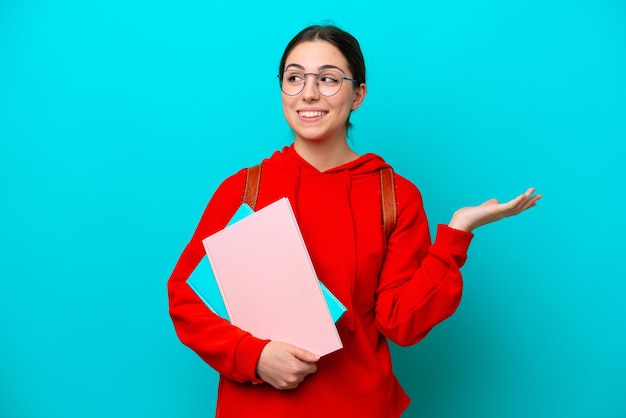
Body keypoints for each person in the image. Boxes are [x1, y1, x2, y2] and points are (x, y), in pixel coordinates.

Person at [167, 24, 541, 418]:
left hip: (359, 406)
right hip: (257, 407)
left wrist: (457, 235)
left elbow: (401, 323)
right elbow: (187, 298)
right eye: (294, 78)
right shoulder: (245, 189)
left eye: (328, 79)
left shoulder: (394, 196)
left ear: (358, 94)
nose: (309, 93)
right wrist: (254, 355)